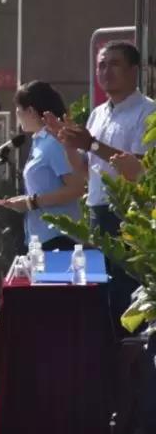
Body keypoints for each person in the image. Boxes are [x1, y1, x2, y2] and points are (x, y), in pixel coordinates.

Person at [44, 41, 155, 323]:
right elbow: (85, 171)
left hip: (131, 215)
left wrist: (91, 144)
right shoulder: (98, 114)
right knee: (103, 295)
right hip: (98, 212)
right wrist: (68, 143)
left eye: (114, 64)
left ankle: (134, 350)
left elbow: (141, 167)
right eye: (101, 65)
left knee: (129, 295)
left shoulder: (147, 112)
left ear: (134, 70)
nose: (106, 72)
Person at [0, 82, 84, 252]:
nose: (16, 114)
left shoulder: (54, 143)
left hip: (59, 238)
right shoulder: (39, 142)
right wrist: (24, 201)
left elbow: (76, 188)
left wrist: (31, 202)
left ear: (30, 111)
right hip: (40, 237)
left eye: (18, 109)